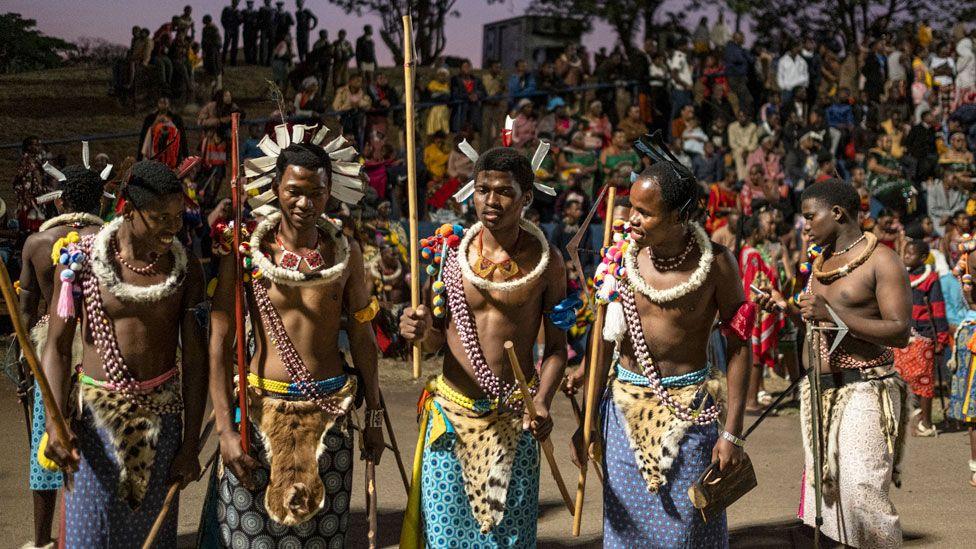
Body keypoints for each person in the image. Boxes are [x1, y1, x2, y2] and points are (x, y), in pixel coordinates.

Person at [206, 134, 384, 545]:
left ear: (329, 194)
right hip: (256, 416)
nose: (304, 204)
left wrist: (373, 416)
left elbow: (361, 334)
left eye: (316, 193)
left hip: (330, 416)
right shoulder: (246, 252)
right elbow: (218, 341)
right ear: (275, 190)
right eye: (294, 192)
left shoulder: (345, 253)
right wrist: (225, 432)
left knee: (321, 537)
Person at [568, 160, 750, 546]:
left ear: (681, 216)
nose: (631, 219)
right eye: (632, 207)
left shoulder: (717, 263)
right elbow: (601, 341)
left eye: (645, 212)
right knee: (625, 532)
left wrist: (732, 433)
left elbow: (739, 346)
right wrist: (587, 422)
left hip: (691, 415)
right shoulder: (618, 259)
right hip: (622, 414)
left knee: (686, 528)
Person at [399, 147, 570, 548]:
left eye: (504, 191)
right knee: (445, 541)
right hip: (451, 418)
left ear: (526, 197)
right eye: (482, 189)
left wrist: (542, 401)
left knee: (508, 543)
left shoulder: (548, 263)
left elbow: (558, 350)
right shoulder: (447, 257)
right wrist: (418, 330)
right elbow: (437, 339)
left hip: (517, 417)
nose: (491, 201)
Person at [41, 160, 208, 548]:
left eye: (177, 217)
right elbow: (57, 347)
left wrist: (188, 446)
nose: (172, 229)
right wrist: (54, 421)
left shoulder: (185, 271)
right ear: (128, 211)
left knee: (150, 539)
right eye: (158, 218)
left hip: (161, 425)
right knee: (90, 537)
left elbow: (196, 361)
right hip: (93, 425)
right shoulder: (78, 261)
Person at [754, 179, 911, 548]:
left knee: (861, 491)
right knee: (828, 494)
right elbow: (818, 325)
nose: (804, 226)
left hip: (865, 389)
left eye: (810, 217)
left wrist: (833, 313)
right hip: (821, 394)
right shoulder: (820, 261)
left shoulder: (882, 260)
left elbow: (900, 331)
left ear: (837, 213)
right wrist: (787, 309)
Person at [17, 162, 105, 549]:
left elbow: (25, 313)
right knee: (93, 445)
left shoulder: (37, 245)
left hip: (48, 353)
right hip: (95, 350)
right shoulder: (108, 239)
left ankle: (41, 540)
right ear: (100, 199)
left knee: (46, 443)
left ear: (61, 199)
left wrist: (24, 362)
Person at [895, 239, 948, 437]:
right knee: (900, 377)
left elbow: (938, 309)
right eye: (905, 253)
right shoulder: (903, 276)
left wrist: (941, 339)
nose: (906, 257)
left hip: (925, 335)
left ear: (923, 257)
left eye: (910, 254)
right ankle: (908, 415)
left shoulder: (931, 278)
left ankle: (926, 423)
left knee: (924, 380)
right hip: (903, 335)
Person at [137, 96, 188, 169]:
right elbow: (143, 137)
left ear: (169, 104)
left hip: (171, 153)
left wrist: (186, 156)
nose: (163, 105)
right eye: (161, 102)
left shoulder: (176, 118)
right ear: (158, 103)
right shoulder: (150, 118)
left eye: (165, 103)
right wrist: (139, 158)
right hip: (154, 152)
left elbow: (182, 137)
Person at [450, 60, 486, 136]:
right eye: (465, 67)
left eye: (468, 67)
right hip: (461, 113)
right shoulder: (455, 80)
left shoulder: (476, 80)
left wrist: (477, 95)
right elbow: (455, 94)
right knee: (460, 138)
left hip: (474, 114)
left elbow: (484, 92)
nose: (467, 69)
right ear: (460, 68)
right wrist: (468, 97)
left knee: (472, 136)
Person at [201, 15, 222, 81]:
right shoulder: (205, 28)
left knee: (214, 60)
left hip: (213, 46)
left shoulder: (214, 28)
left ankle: (216, 73)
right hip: (207, 46)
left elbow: (217, 38)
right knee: (207, 59)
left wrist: (214, 45)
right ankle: (208, 71)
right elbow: (203, 38)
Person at [221, 0, 242, 66]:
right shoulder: (227, 9)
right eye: (235, 2)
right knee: (226, 45)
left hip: (236, 29)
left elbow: (240, 21)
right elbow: (222, 19)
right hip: (228, 29)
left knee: (234, 46)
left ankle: (233, 62)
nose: (236, 3)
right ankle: (223, 60)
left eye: (237, 2)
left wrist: (239, 18)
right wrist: (226, 27)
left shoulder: (238, 11)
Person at [241, 0, 258, 64]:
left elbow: (259, 21)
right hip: (246, 30)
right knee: (246, 46)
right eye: (249, 3)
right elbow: (241, 19)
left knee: (254, 46)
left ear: (253, 4)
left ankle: (254, 60)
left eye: (251, 3)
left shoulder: (256, 12)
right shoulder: (244, 12)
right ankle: (247, 60)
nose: (250, 5)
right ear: (247, 4)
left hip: (254, 31)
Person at [257, 0, 274, 65]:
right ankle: (262, 61)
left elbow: (275, 20)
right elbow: (259, 19)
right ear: (265, 2)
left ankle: (269, 61)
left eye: (269, 0)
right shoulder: (262, 9)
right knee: (263, 45)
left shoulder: (273, 9)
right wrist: (259, 28)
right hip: (264, 29)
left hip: (271, 29)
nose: (268, 1)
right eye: (266, 0)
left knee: (271, 46)